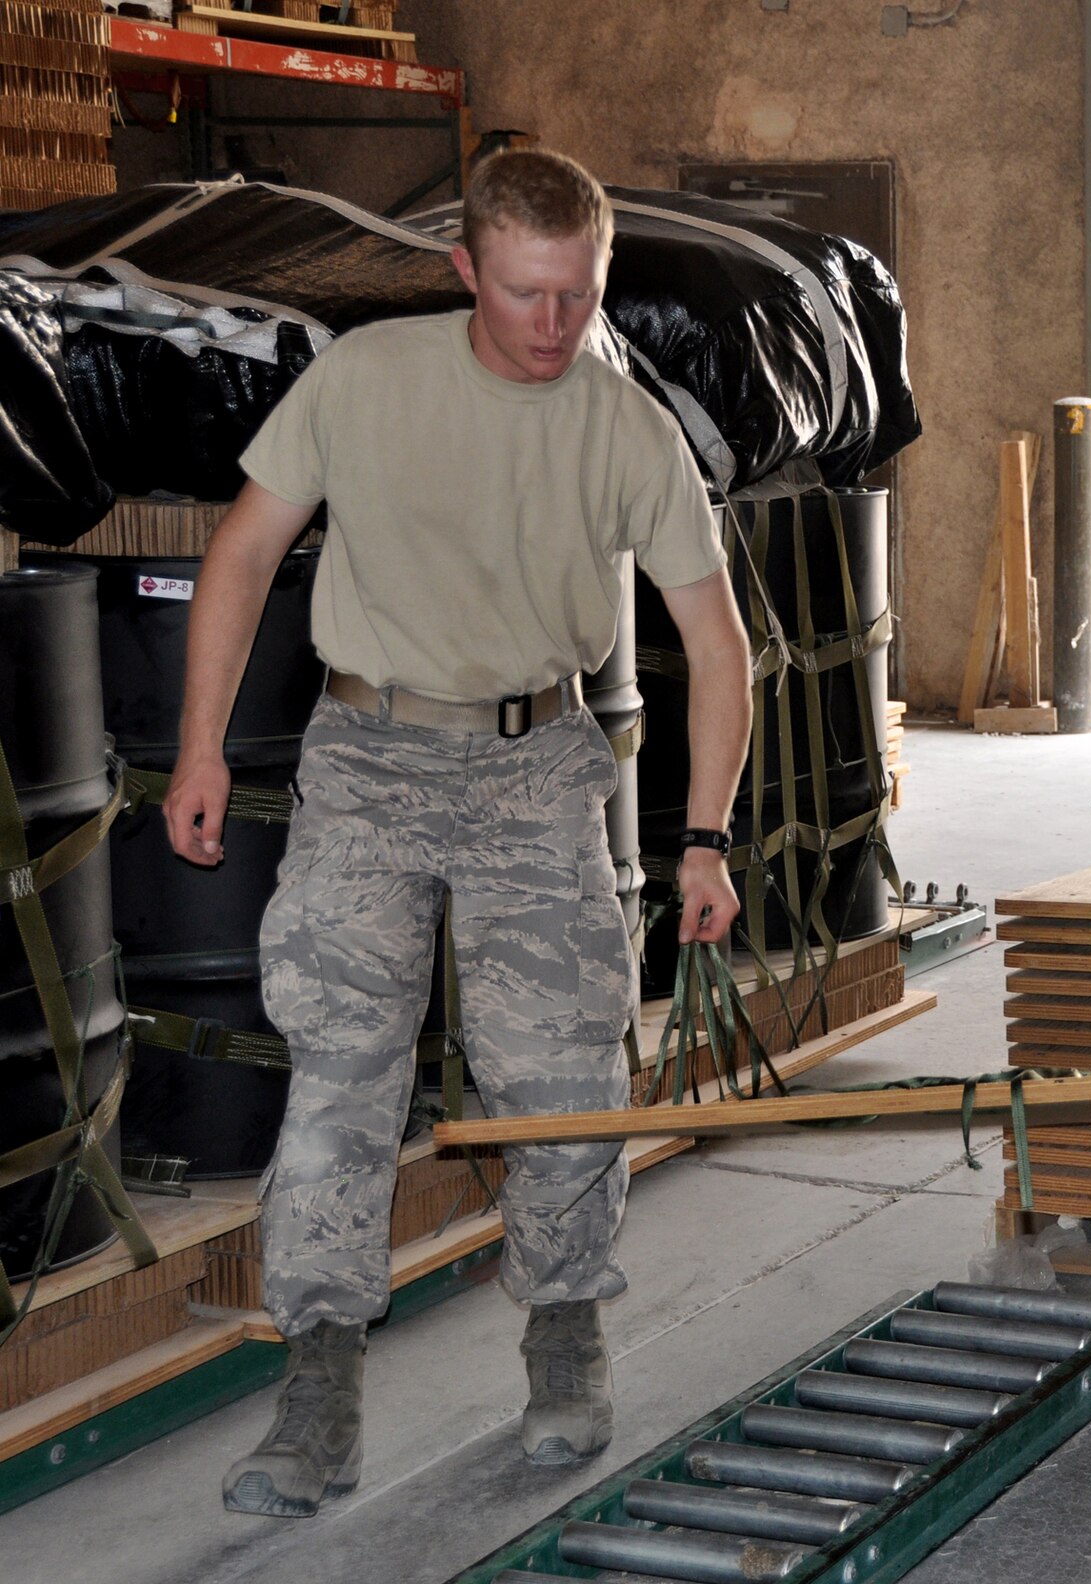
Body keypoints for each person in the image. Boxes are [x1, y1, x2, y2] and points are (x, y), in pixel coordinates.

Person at [163, 149, 753, 1518]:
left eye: (578, 296)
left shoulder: (626, 427)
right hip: (367, 758)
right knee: (341, 1082)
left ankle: (564, 1333)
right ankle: (318, 1383)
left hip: (537, 768)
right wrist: (198, 747)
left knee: (558, 1079)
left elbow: (718, 645)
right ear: (465, 270)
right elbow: (243, 551)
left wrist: (706, 838)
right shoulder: (368, 379)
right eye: (527, 294)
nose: (553, 327)